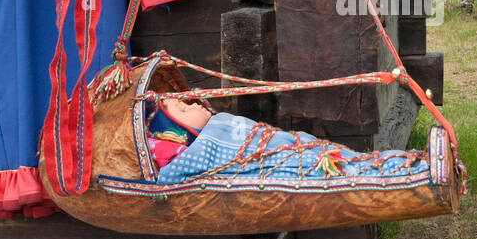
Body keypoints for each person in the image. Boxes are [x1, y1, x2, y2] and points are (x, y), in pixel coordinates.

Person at [150, 95, 431, 184]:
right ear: (180, 133)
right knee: (336, 168)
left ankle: (410, 163)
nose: (196, 105)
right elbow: (166, 177)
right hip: (281, 162)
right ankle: (414, 170)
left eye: (187, 102)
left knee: (340, 156)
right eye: (184, 110)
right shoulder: (200, 149)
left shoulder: (218, 121)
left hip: (287, 145)